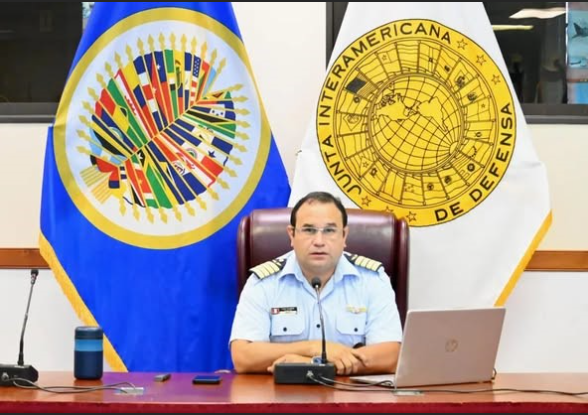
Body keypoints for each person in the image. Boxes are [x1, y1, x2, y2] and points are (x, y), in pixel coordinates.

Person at [229, 191, 402, 375]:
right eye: (309, 230)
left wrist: (313, 365)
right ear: (291, 235)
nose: (319, 241)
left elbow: (390, 355)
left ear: (344, 236)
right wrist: (314, 348)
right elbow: (243, 356)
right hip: (281, 398)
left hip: (351, 399)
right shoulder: (264, 282)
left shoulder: (372, 279)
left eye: (329, 230)